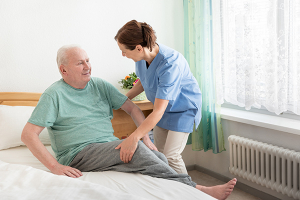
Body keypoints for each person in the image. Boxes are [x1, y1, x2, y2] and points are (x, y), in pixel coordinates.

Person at [21, 45, 236, 200]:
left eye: (88, 60)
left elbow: (132, 108)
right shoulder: (53, 95)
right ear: (63, 69)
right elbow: (28, 135)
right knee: (137, 151)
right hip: (77, 153)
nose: (88, 66)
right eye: (80, 63)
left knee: (157, 154)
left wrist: (145, 137)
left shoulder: (99, 85)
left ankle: (183, 190)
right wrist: (55, 166)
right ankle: (198, 189)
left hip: (105, 146)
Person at [115, 20, 202, 175]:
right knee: (159, 155)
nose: (123, 55)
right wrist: (124, 98)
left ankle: (191, 193)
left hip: (183, 109)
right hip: (161, 109)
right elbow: (144, 80)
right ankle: (169, 191)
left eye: (124, 50)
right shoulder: (142, 58)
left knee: (171, 156)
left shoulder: (170, 63)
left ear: (139, 48)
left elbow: (158, 111)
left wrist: (134, 138)